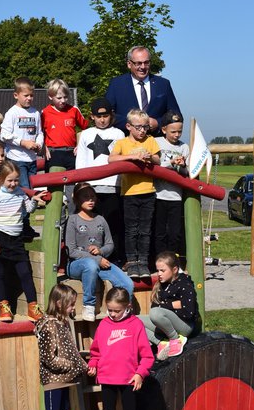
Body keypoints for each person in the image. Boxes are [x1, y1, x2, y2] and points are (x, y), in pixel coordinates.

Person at [87, 287, 154, 410]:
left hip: (129, 380)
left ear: (128, 307)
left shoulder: (136, 325)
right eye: (110, 310)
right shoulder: (104, 325)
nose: (113, 314)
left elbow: (147, 357)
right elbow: (96, 352)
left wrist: (140, 373)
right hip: (107, 378)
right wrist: (93, 364)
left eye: (117, 310)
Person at [36, 284, 89, 410]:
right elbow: (49, 358)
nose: (73, 308)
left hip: (66, 379)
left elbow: (72, 350)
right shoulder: (48, 324)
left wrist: (83, 364)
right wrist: (73, 366)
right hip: (54, 380)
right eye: (71, 304)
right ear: (58, 303)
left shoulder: (63, 322)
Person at [0, 160, 46, 323]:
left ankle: (33, 306)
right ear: (1, 178)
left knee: (25, 272)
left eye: (16, 180)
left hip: (16, 239)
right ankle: (4, 306)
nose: (13, 183)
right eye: (9, 180)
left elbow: (28, 209)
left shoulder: (19, 193)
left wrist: (34, 199)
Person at [65, 182, 133, 321]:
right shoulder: (72, 220)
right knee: (90, 265)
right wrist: (96, 259)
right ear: (77, 200)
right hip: (76, 265)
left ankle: (120, 312)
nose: (90, 200)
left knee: (127, 284)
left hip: (101, 262)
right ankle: (88, 306)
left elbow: (110, 244)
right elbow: (71, 251)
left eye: (92, 197)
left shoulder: (100, 219)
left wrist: (100, 251)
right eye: (86, 197)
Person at [108, 108, 161, 280]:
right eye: (138, 127)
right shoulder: (122, 143)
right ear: (129, 126)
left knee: (145, 230)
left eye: (145, 127)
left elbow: (158, 159)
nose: (142, 131)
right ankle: (132, 262)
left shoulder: (150, 141)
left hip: (148, 192)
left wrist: (148, 156)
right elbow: (111, 159)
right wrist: (131, 157)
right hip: (129, 193)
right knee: (131, 230)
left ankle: (143, 262)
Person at [75, 97, 125, 263]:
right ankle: (91, 257)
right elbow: (81, 161)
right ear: (92, 116)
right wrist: (80, 186)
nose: (102, 119)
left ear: (111, 115)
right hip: (92, 188)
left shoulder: (119, 134)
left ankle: (115, 258)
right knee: (92, 225)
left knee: (113, 225)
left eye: (105, 116)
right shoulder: (86, 134)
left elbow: (122, 160)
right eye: (98, 116)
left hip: (113, 186)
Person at [105, 46, 181, 134]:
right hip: (126, 142)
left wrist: (158, 123)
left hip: (156, 142)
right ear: (129, 64)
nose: (143, 67)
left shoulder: (163, 84)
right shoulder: (116, 84)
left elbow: (176, 115)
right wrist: (133, 123)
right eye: (138, 63)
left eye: (146, 62)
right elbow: (108, 114)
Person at [141, 251, 199, 360]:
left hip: (185, 325)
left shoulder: (184, 284)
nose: (159, 274)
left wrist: (165, 307)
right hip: (168, 324)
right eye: (157, 270)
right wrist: (173, 305)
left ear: (175, 270)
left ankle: (175, 340)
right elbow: (155, 307)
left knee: (155, 313)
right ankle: (161, 343)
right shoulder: (162, 285)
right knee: (134, 320)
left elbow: (189, 312)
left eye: (162, 270)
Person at [154, 111, 189, 256]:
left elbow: (187, 173)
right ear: (164, 130)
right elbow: (154, 165)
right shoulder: (156, 142)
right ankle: (159, 262)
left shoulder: (184, 147)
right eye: (173, 131)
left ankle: (173, 261)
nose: (176, 135)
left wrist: (182, 166)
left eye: (179, 131)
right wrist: (171, 162)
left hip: (176, 196)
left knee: (174, 233)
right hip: (158, 195)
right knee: (159, 232)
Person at [0, 77, 44, 189]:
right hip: (17, 158)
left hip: (32, 159)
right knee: (24, 188)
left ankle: (31, 207)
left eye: (31, 95)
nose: (29, 98)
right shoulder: (12, 112)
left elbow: (39, 132)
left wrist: (39, 144)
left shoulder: (35, 113)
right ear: (16, 95)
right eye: (26, 95)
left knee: (33, 187)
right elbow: (4, 135)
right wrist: (22, 142)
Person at [41, 78, 87, 173]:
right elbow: (39, 133)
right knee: (55, 183)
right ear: (50, 97)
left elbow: (86, 129)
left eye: (65, 97)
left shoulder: (74, 110)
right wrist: (43, 148)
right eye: (59, 98)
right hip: (53, 153)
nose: (63, 100)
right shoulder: (44, 112)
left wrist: (79, 145)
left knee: (72, 184)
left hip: (71, 152)